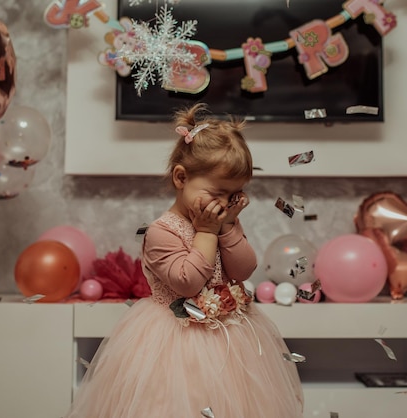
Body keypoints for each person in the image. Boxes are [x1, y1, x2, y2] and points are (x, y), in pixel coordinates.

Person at [65, 103, 304, 417]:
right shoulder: (161, 233)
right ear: (181, 178)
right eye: (218, 192)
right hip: (175, 341)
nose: (225, 203)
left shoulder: (222, 221)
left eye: (235, 194)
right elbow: (188, 283)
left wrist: (229, 227)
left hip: (231, 340)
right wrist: (207, 232)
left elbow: (243, 269)